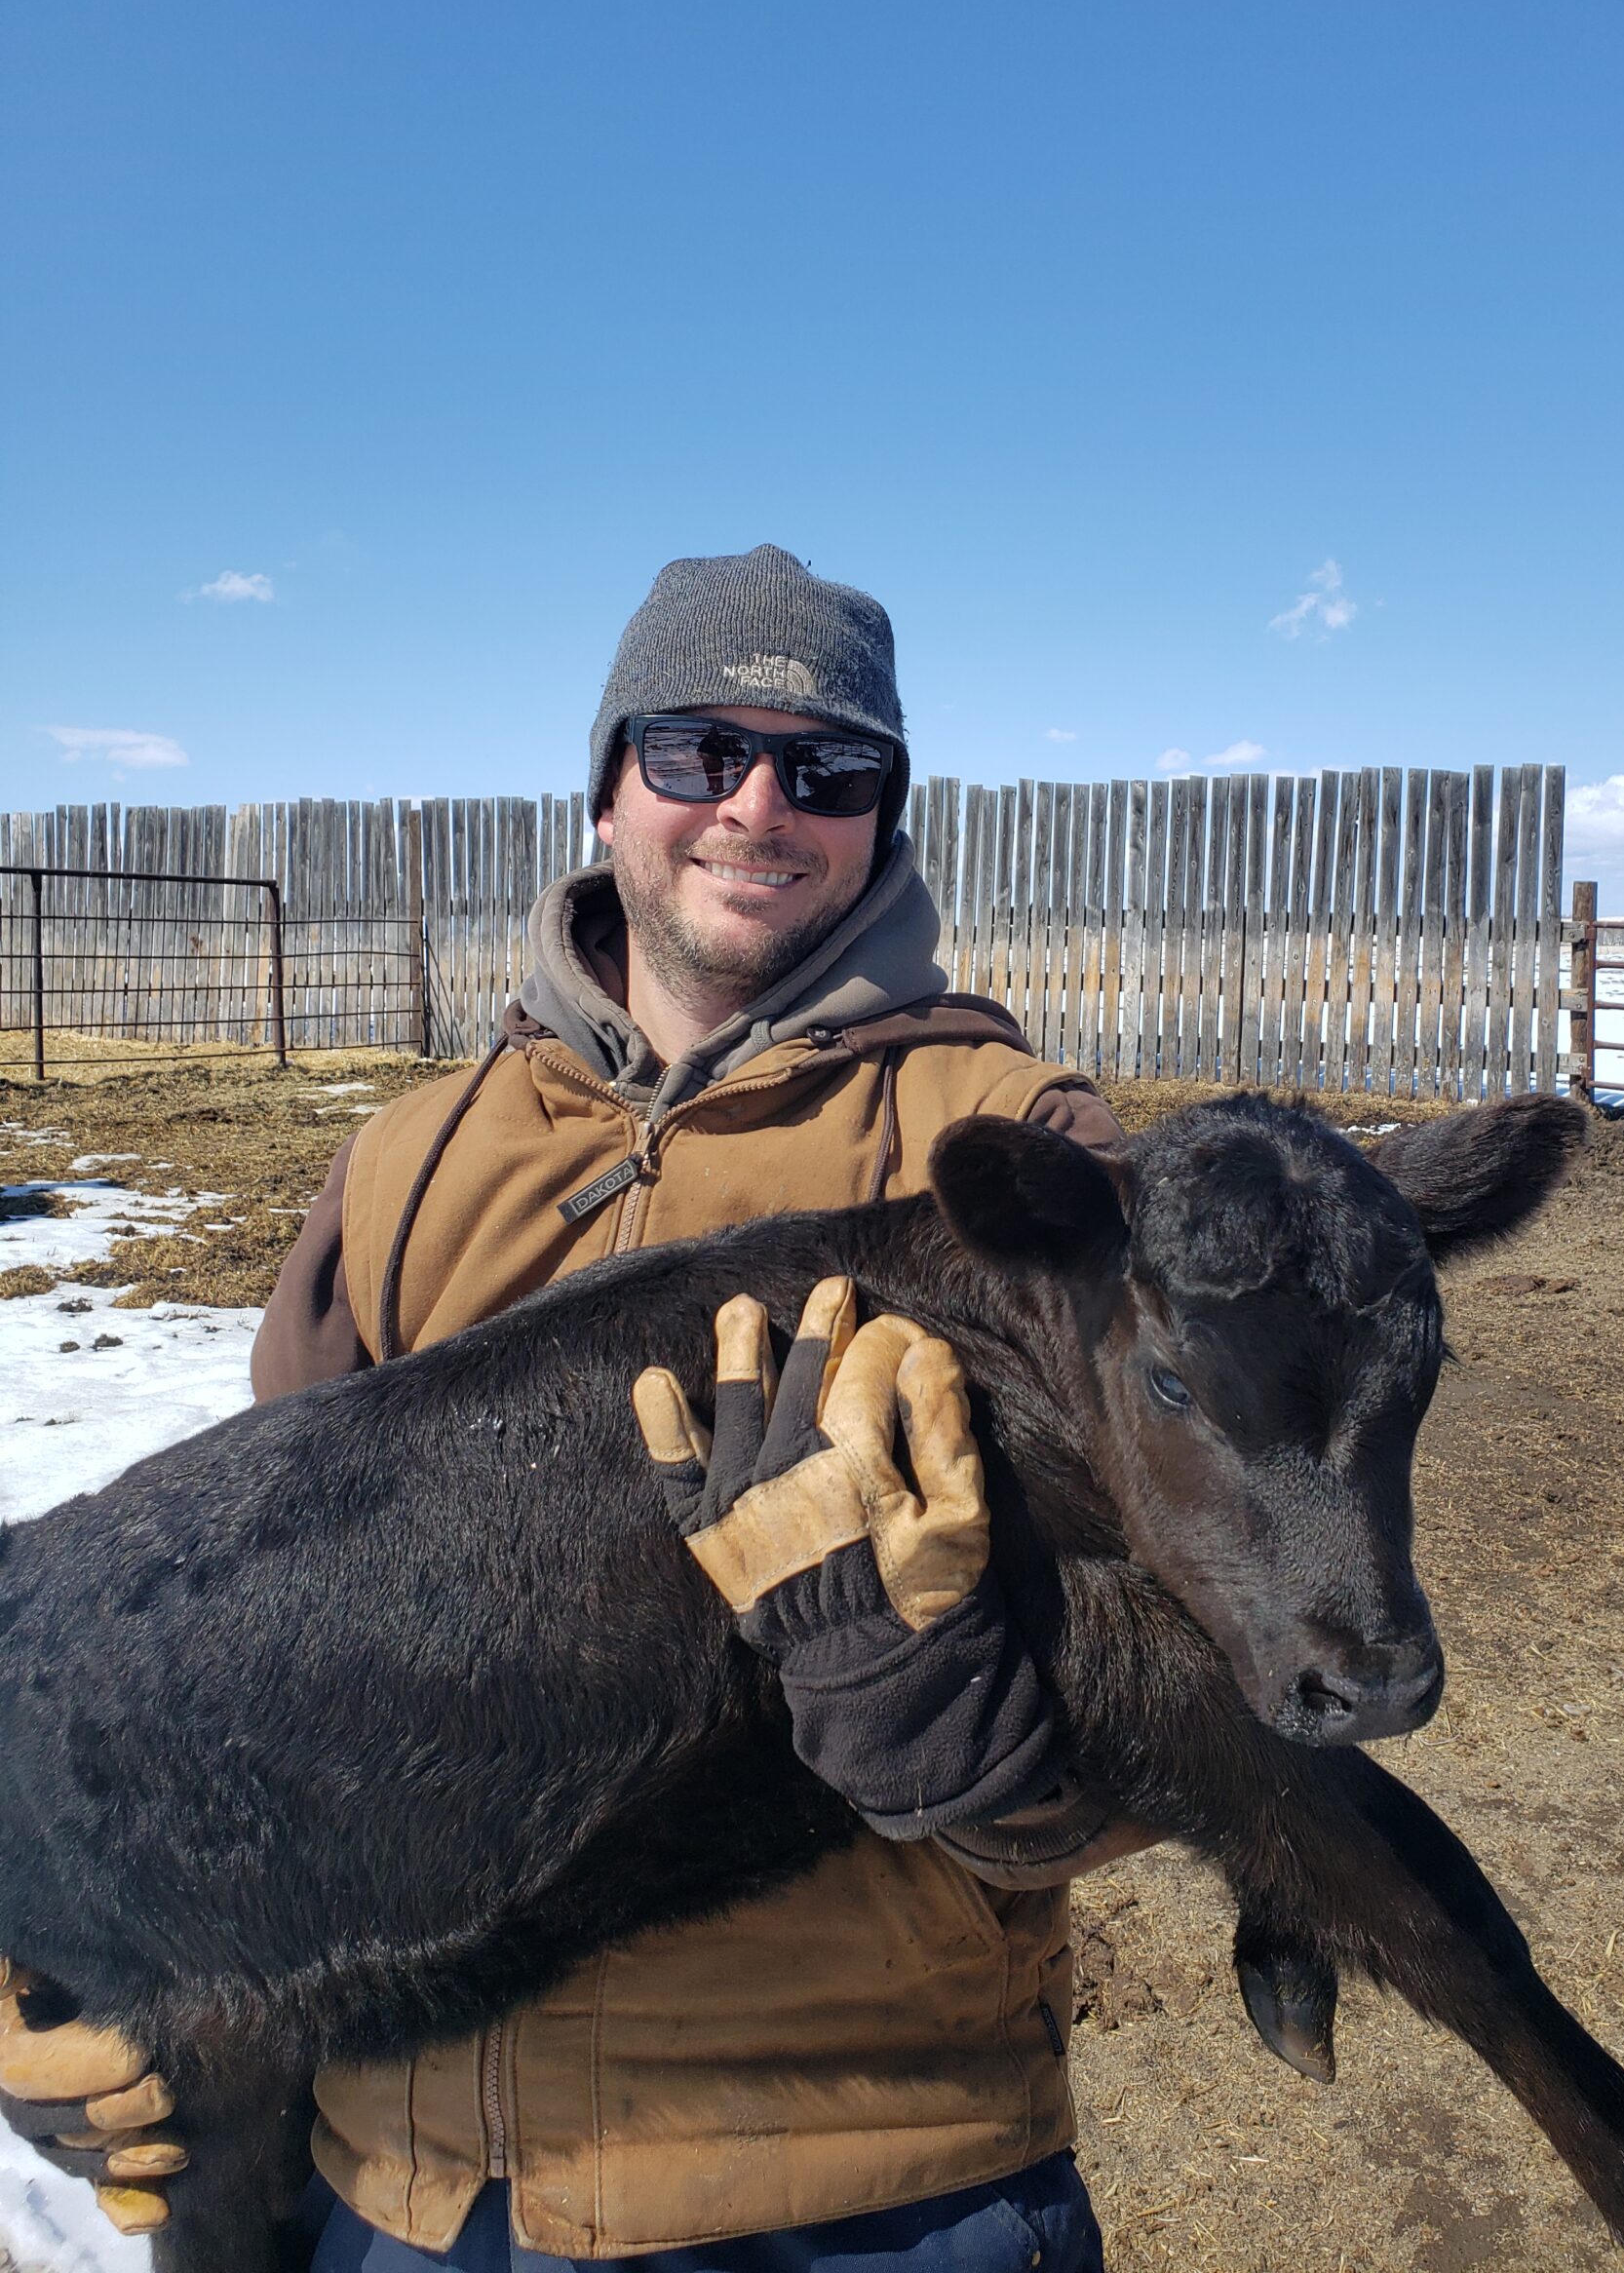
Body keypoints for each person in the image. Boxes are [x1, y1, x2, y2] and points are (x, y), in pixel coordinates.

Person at [0, 545, 1146, 2270]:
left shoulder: (1015, 1166)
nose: (760, 804)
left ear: (884, 819)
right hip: (411, 2185)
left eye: (828, 767)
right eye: (697, 750)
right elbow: (224, 1660)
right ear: (609, 785)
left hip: (868, 2180)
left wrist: (982, 1751)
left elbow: (1237, 1663)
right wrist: (48, 1957)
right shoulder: (407, 1165)